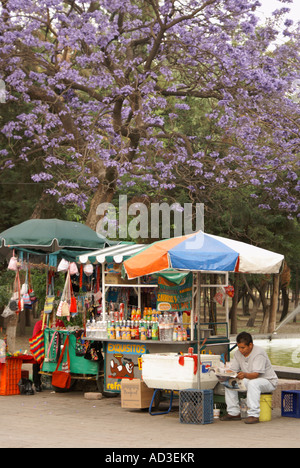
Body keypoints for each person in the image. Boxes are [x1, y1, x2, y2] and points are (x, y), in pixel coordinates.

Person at [220, 331, 278, 424]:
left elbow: (256, 375)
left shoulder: (259, 353)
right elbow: (233, 369)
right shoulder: (238, 353)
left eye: (243, 347)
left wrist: (244, 374)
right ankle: (234, 412)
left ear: (250, 345)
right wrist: (223, 373)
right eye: (239, 347)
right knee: (230, 383)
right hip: (250, 379)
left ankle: (254, 415)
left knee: (253, 383)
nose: (241, 350)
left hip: (268, 381)